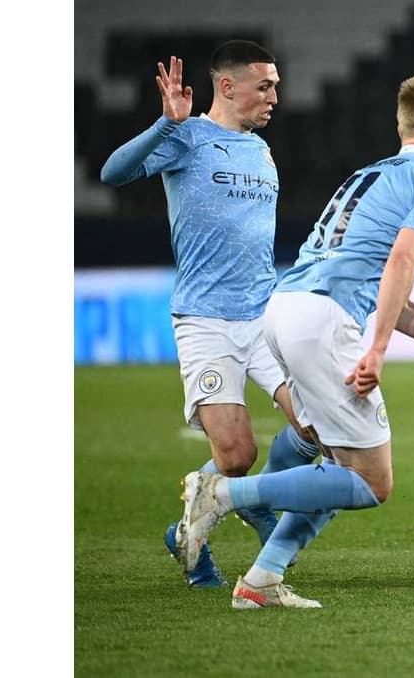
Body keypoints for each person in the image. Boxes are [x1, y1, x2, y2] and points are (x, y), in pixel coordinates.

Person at [176, 71, 414, 609]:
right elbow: (403, 261)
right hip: (320, 322)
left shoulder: (368, 175)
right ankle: (222, 493)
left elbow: (387, 290)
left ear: (401, 123)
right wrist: (378, 350)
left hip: (286, 308)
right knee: (370, 481)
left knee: (334, 461)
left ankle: (263, 579)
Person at [99, 41, 320, 588]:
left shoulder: (261, 150)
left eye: (276, 85)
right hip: (207, 320)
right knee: (237, 453)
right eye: (264, 85)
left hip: (264, 315)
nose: (275, 96)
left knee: (319, 426)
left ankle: (249, 501)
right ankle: (190, 532)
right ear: (228, 86)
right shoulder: (187, 137)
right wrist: (164, 124)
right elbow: (112, 173)